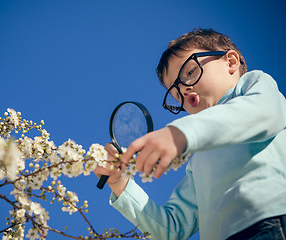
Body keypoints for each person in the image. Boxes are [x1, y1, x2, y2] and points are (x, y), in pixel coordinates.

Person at [94, 28, 286, 240]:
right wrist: (121, 184)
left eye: (190, 72)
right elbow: (172, 229)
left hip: (269, 221)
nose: (183, 90)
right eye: (175, 94)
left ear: (231, 62)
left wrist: (180, 132)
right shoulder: (199, 160)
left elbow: (260, 113)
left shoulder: (254, 86)